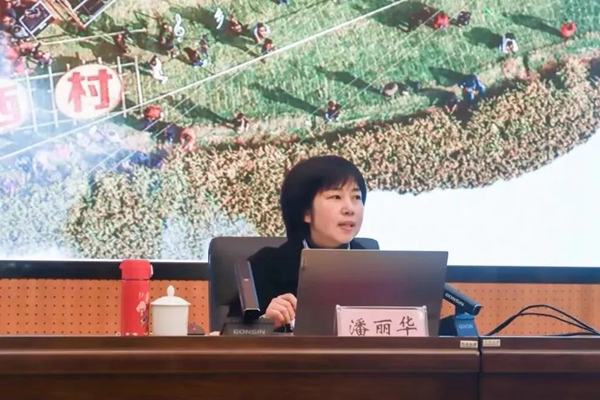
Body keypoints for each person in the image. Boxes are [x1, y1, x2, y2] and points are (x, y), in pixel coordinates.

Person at [227, 155, 368, 329]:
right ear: (306, 212)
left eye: (356, 197)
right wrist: (266, 323)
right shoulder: (266, 266)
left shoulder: (374, 266)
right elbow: (229, 335)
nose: (350, 209)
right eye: (336, 197)